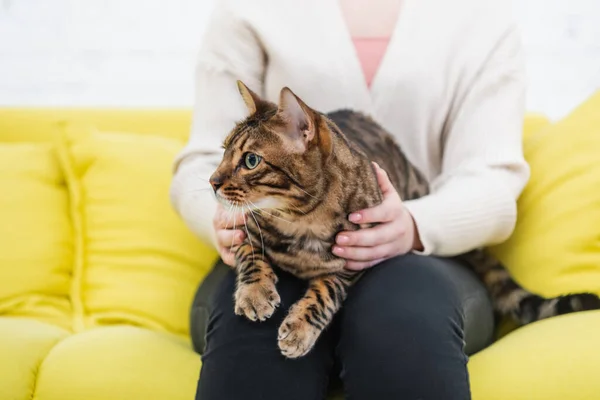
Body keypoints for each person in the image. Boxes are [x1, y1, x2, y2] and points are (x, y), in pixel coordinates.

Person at [169, 0, 530, 398]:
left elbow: (492, 178)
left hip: (422, 259)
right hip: (273, 240)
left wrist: (410, 225)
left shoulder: (480, 16)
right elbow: (204, 159)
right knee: (257, 324)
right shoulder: (247, 10)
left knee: (400, 308)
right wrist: (222, 218)